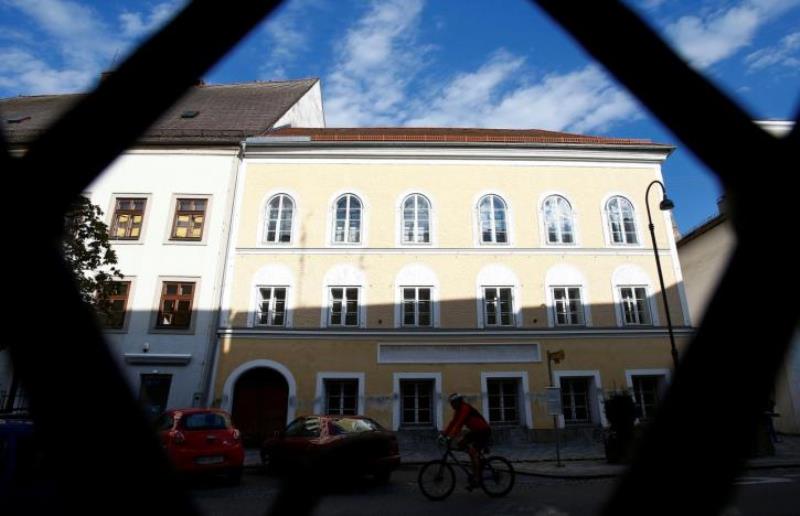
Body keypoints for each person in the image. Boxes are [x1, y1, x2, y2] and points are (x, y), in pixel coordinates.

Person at [439, 393, 491, 489]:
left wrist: (450, 437)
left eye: (453, 403)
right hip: (475, 432)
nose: (452, 405)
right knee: (461, 444)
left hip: (483, 431)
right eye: (451, 403)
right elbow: (453, 423)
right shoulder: (458, 410)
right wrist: (444, 434)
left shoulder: (465, 408)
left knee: (472, 451)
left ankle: (477, 478)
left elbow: (459, 424)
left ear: (458, 402)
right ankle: (477, 460)